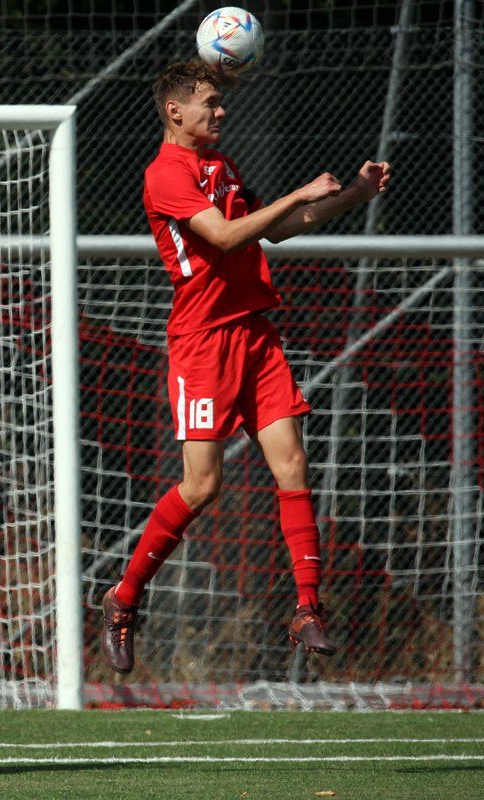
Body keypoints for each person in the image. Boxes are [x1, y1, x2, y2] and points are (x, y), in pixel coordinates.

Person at [99, 60, 393, 674]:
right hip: (203, 344)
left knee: (293, 463)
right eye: (209, 102)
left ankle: (308, 608)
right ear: (175, 111)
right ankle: (124, 598)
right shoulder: (165, 173)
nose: (221, 111)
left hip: (255, 335)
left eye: (220, 102)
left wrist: (355, 195)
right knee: (203, 485)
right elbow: (227, 236)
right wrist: (298, 191)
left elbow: (277, 230)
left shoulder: (221, 165)